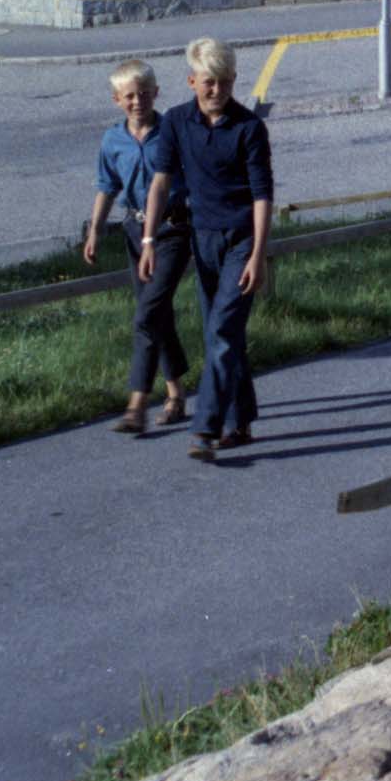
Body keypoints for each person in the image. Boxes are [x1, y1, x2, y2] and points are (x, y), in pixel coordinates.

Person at [140, 37, 273, 463]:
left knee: (221, 334)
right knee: (223, 335)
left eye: (226, 82)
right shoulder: (177, 122)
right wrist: (148, 239)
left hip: (241, 242)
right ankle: (242, 418)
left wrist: (258, 255)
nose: (218, 91)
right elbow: (160, 182)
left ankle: (206, 428)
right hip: (204, 242)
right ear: (192, 80)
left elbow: (262, 196)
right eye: (209, 82)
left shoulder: (250, 128)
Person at [84, 61, 189, 434]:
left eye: (144, 93)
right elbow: (106, 185)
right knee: (156, 314)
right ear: (117, 100)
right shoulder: (112, 141)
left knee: (147, 313)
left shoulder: (172, 132)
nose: (137, 101)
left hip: (172, 229)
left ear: (156, 93)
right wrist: (96, 229)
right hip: (134, 229)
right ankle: (176, 394)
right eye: (129, 95)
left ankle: (137, 404)